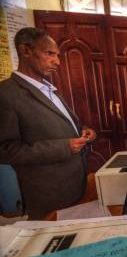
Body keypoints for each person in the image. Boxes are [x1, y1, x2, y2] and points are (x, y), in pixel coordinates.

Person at [0, 27, 96, 220]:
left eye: (57, 55)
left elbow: (64, 125)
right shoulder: (6, 93)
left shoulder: (49, 89)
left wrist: (84, 131)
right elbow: (5, 150)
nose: (57, 61)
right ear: (26, 51)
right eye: (49, 53)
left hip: (77, 185)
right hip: (49, 196)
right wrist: (64, 147)